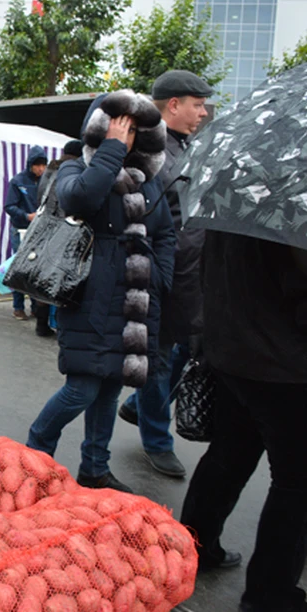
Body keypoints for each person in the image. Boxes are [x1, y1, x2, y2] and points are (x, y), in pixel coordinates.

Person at [180, 237, 307, 612]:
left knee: (228, 459)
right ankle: (271, 596)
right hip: (296, 371)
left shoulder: (240, 197)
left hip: (237, 353)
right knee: (301, 485)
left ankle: (191, 549)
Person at [25, 90, 175, 493]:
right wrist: (110, 149)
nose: (126, 134)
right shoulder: (75, 169)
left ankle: (95, 468)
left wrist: (160, 274)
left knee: (109, 390)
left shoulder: (147, 181)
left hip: (133, 305)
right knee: (81, 388)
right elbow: (80, 198)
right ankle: (33, 456)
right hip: (90, 299)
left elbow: (165, 231)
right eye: (117, 126)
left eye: (132, 129)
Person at [115, 70, 213, 479]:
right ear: (174, 105)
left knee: (179, 350)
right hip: (162, 274)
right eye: (197, 104)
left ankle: (137, 407)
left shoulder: (190, 147)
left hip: (192, 272)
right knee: (157, 356)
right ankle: (157, 440)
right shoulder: (150, 152)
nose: (204, 113)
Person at [33, 139, 83, 338]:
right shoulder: (72, 172)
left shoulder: (48, 171)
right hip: (65, 230)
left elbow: (40, 199)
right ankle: (60, 326)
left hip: (45, 228)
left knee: (45, 277)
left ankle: (41, 323)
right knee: (62, 278)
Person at [4, 146, 48, 320]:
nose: (40, 169)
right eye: (37, 165)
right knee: (20, 268)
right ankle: (18, 306)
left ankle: (36, 306)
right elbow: (9, 206)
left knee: (37, 269)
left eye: (43, 165)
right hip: (20, 229)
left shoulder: (46, 180)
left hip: (39, 230)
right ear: (30, 164)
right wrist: (26, 216)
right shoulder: (18, 181)